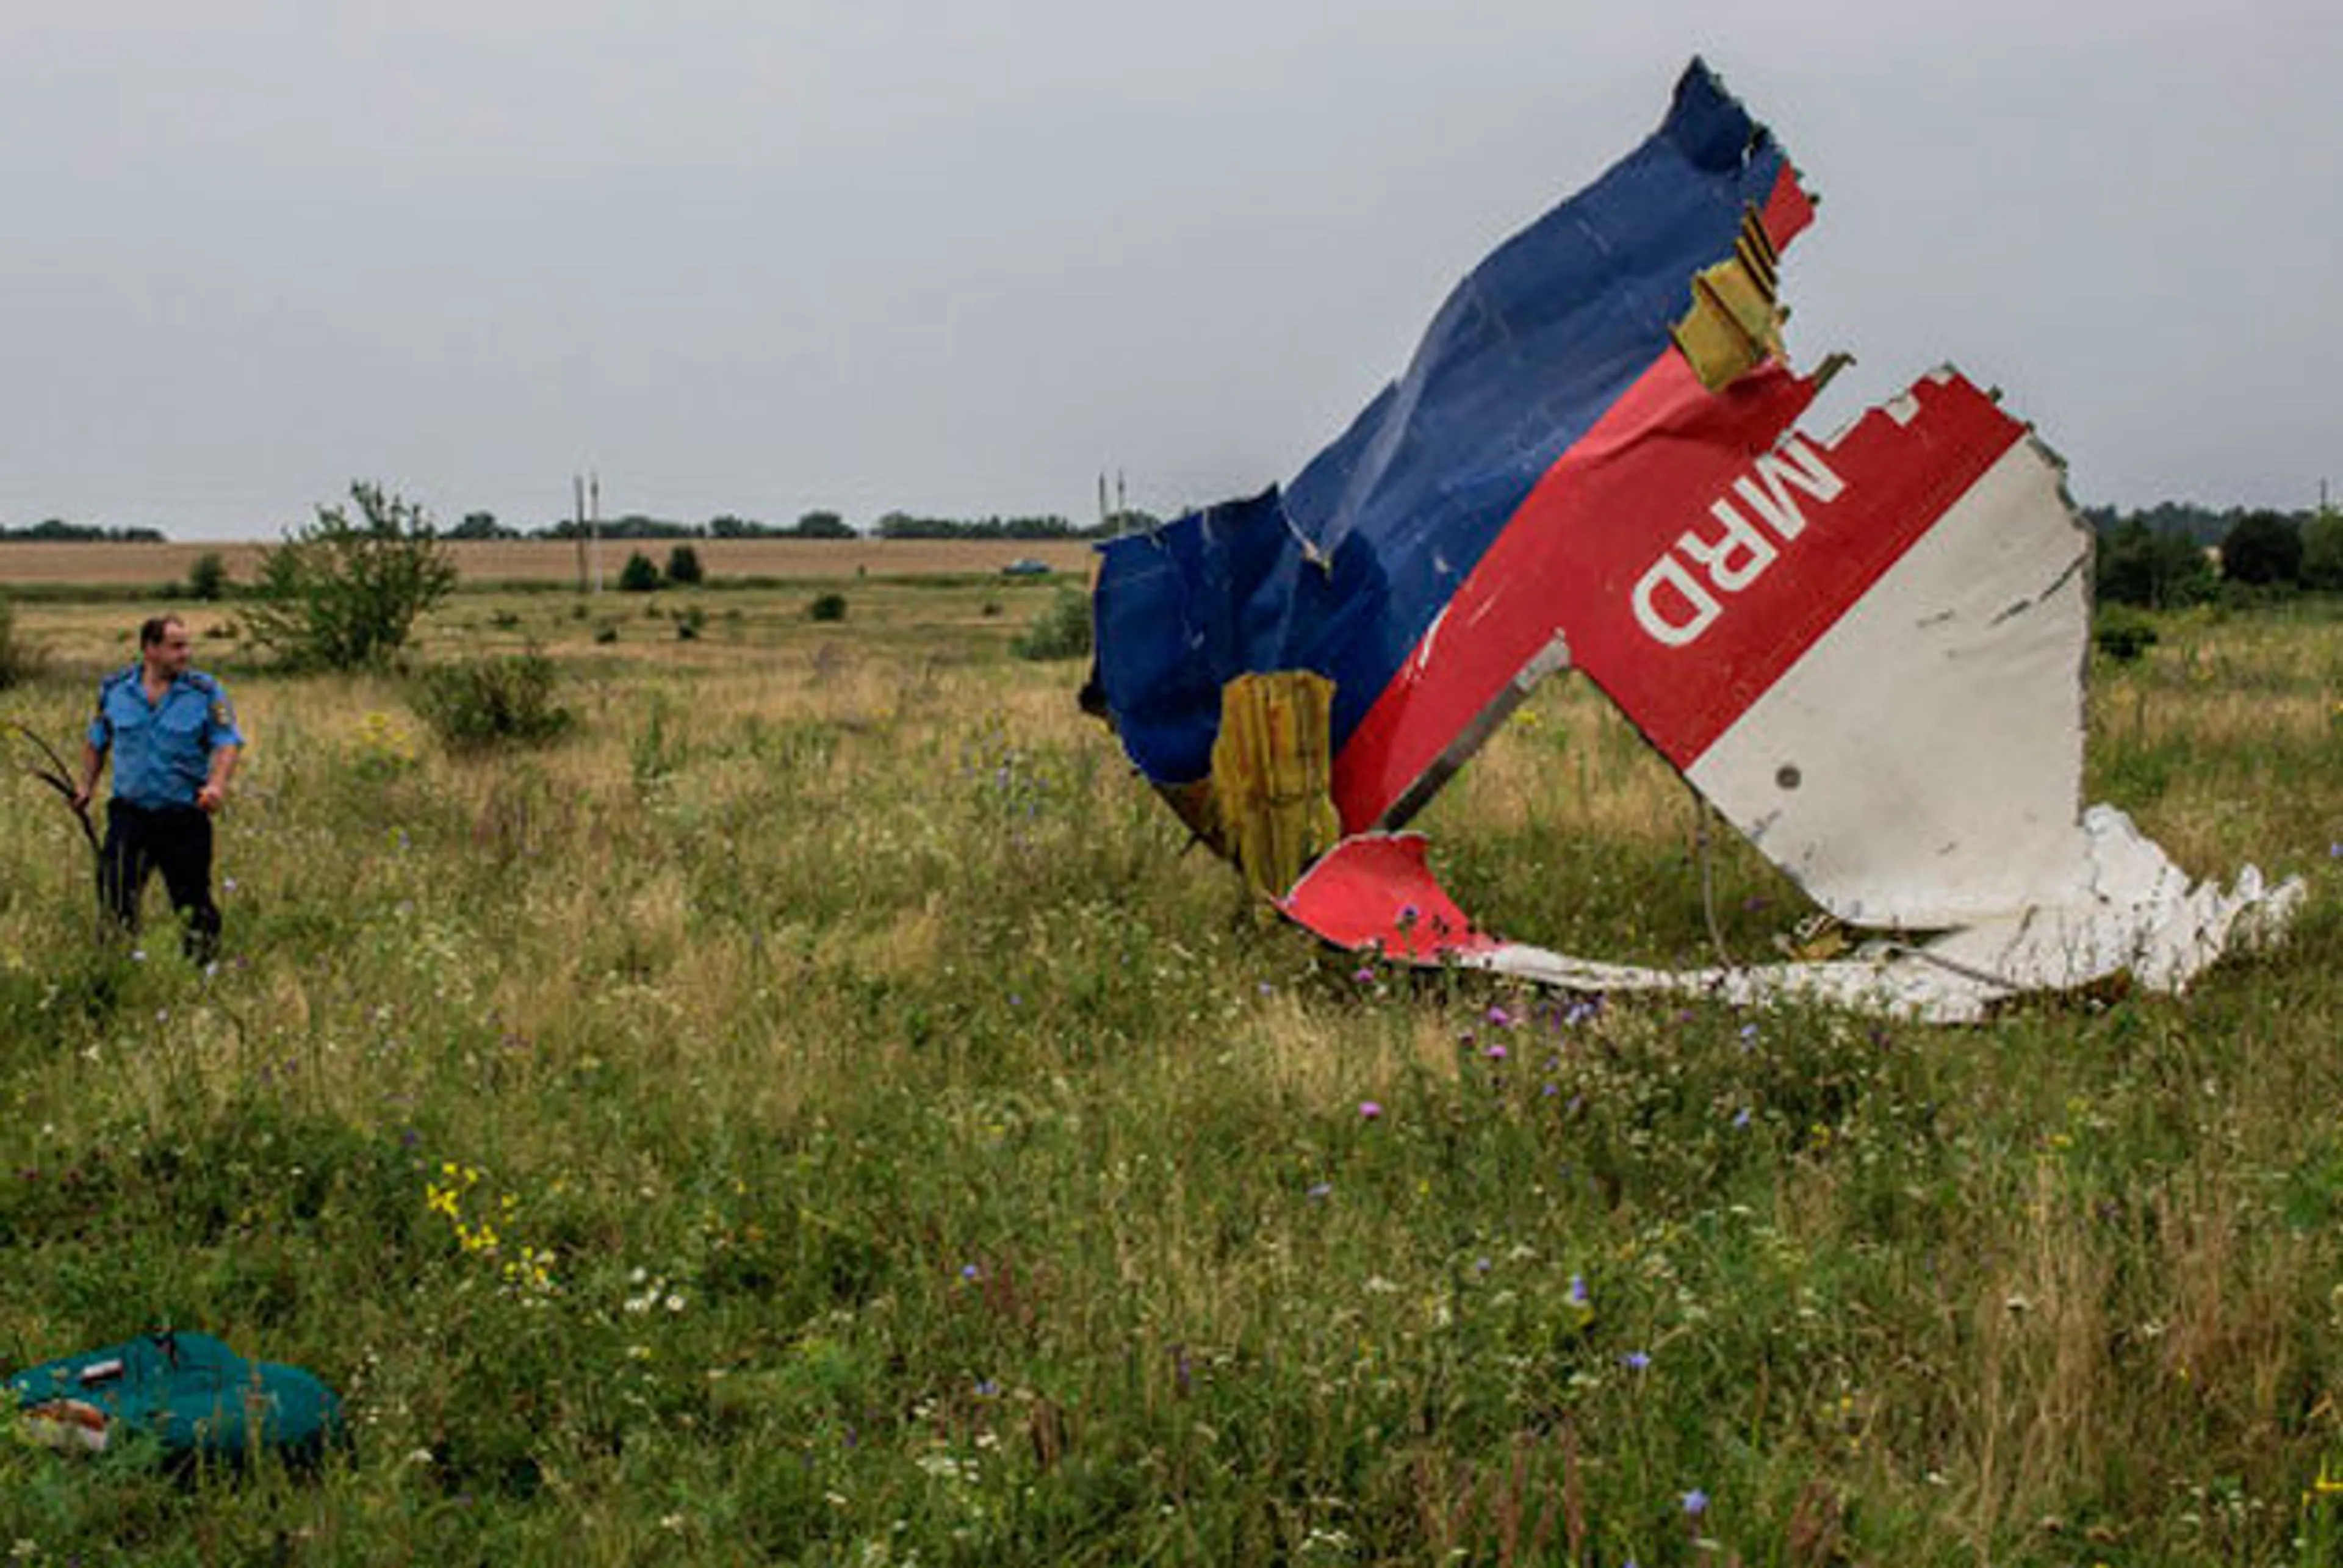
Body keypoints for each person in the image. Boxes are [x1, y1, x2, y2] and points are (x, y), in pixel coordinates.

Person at [71, 614, 244, 962]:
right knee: (117, 895)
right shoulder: (115, 690)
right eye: (176, 646)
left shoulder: (205, 692)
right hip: (130, 814)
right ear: (150, 649)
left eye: (187, 645)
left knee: (192, 900)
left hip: (183, 813)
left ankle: (204, 972)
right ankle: (116, 968)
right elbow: (97, 741)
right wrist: (85, 786)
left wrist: (216, 785)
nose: (186, 654)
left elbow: (227, 742)